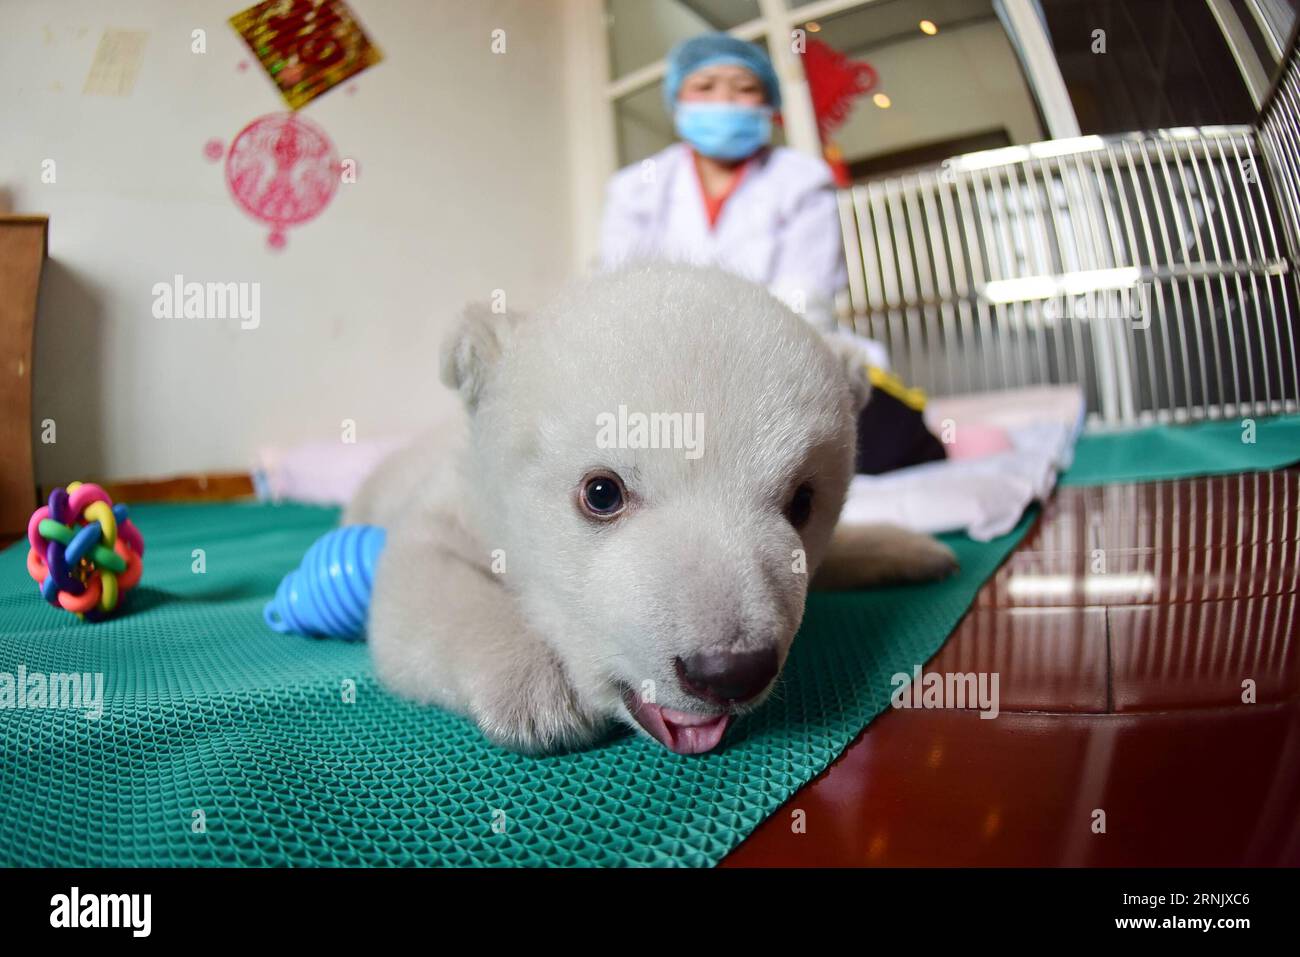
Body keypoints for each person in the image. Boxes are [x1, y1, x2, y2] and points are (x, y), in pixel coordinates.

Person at [600, 32, 850, 333]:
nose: (724, 100)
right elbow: (619, 291)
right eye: (704, 87)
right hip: (659, 350)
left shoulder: (802, 179)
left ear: (768, 103)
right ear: (676, 100)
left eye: (745, 88)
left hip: (781, 352)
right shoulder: (636, 187)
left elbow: (806, 298)